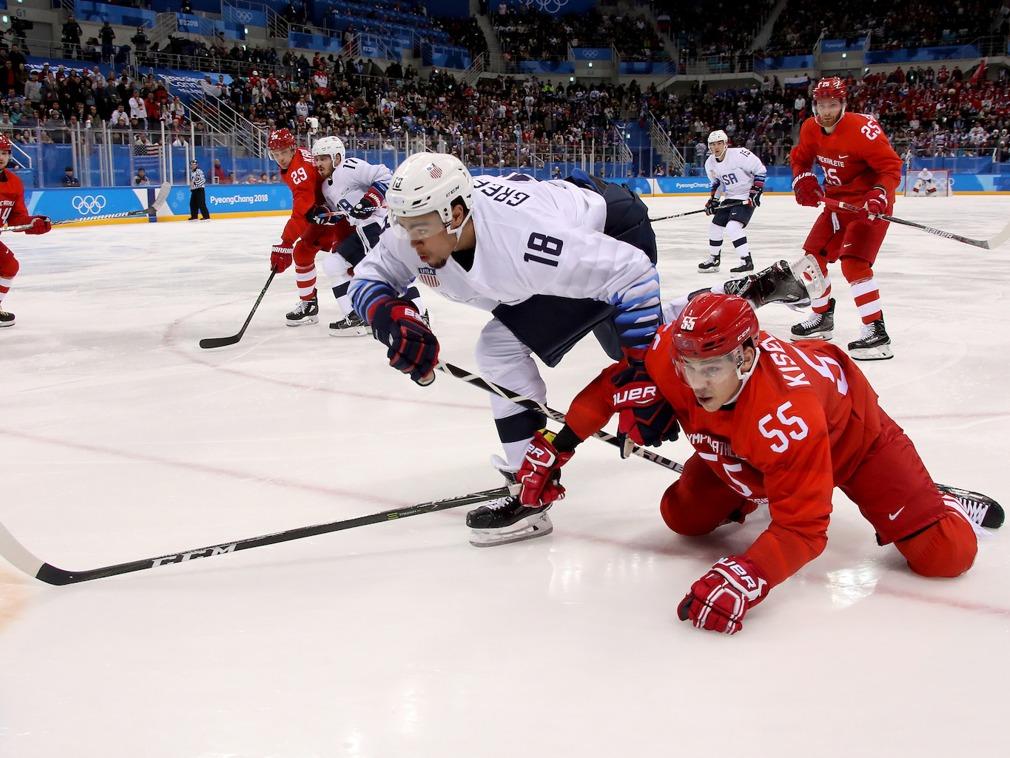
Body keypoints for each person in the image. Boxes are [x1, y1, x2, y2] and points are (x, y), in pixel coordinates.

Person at [349, 154, 816, 546]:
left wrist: (642, 380)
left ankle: (528, 491)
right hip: (569, 229)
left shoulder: (527, 241)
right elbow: (369, 278)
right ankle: (742, 291)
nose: (410, 241)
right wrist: (391, 317)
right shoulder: (419, 225)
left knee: (510, 347)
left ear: (454, 213)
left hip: (615, 230)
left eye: (421, 229)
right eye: (404, 227)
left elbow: (630, 274)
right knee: (611, 339)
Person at [516, 292, 1004, 634]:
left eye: (711, 369)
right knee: (681, 517)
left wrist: (749, 575)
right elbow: (611, 388)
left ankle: (936, 499)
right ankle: (760, 488)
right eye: (689, 367)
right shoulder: (676, 356)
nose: (697, 382)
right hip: (749, 450)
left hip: (853, 440)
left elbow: (805, 530)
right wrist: (557, 444)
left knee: (945, 556)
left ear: (747, 357)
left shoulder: (787, 415)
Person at [790, 76, 903, 360]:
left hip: (870, 206)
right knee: (811, 261)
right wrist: (802, 179)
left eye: (833, 104)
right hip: (837, 206)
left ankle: (876, 332)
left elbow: (890, 167)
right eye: (821, 105)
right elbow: (800, 158)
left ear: (843, 104)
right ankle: (822, 317)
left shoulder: (862, 128)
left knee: (854, 264)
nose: (826, 111)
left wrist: (879, 194)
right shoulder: (809, 129)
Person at [308, 135, 426, 336]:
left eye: (323, 158)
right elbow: (343, 213)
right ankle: (356, 317)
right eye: (316, 159)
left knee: (395, 270)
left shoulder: (349, 167)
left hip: (378, 226)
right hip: (362, 231)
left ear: (337, 157)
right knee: (333, 265)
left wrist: (370, 199)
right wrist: (324, 215)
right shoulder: (326, 187)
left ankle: (420, 315)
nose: (319, 163)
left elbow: (385, 176)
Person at [267, 127, 352, 327]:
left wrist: (285, 243)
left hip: (336, 213)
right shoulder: (299, 157)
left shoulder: (299, 172)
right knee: (303, 253)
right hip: (324, 212)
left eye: (283, 153)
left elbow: (301, 212)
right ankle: (309, 304)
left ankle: (364, 307)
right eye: (275, 154)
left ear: (292, 149)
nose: (280, 158)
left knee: (346, 260)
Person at [0, 134, 53, 327]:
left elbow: (16, 219)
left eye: (5, 152)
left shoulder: (14, 183)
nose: (1, 156)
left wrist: (34, 223)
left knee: (9, 266)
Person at [697, 129, 766, 275]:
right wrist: (714, 201)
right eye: (712, 144)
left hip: (746, 197)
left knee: (733, 227)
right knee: (715, 227)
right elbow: (717, 183)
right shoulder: (710, 163)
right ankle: (714, 259)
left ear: (725, 144)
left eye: (719, 143)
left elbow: (760, 171)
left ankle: (746, 261)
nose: (715, 147)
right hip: (730, 197)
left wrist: (755, 192)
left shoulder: (740, 154)